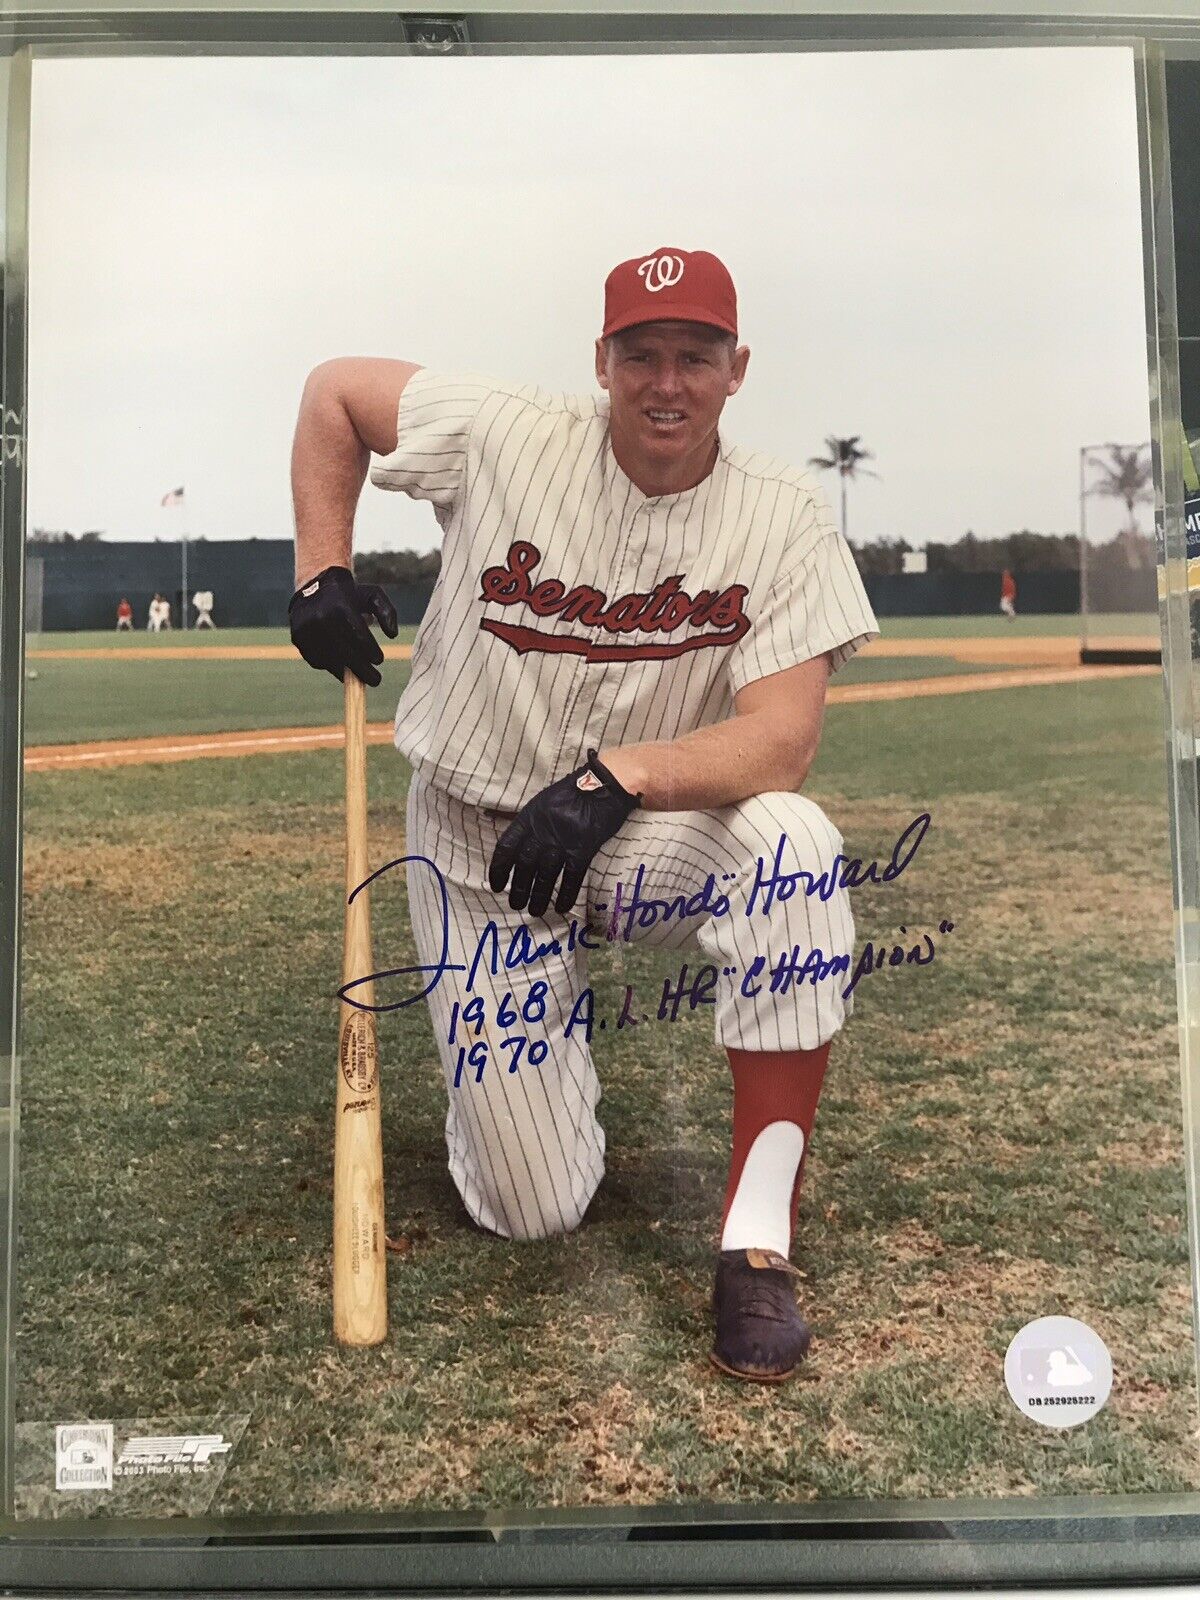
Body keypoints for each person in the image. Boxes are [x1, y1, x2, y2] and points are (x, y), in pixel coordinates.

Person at [289, 247, 880, 1382]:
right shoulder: (504, 432)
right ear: (600, 364)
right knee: (535, 1208)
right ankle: (509, 1060)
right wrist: (321, 571)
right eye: (641, 354)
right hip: (477, 849)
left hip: (632, 838)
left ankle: (758, 1242)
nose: (668, 382)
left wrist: (617, 780)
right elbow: (334, 394)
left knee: (794, 851)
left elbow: (783, 738)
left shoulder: (782, 513)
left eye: (695, 356)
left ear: (736, 367)